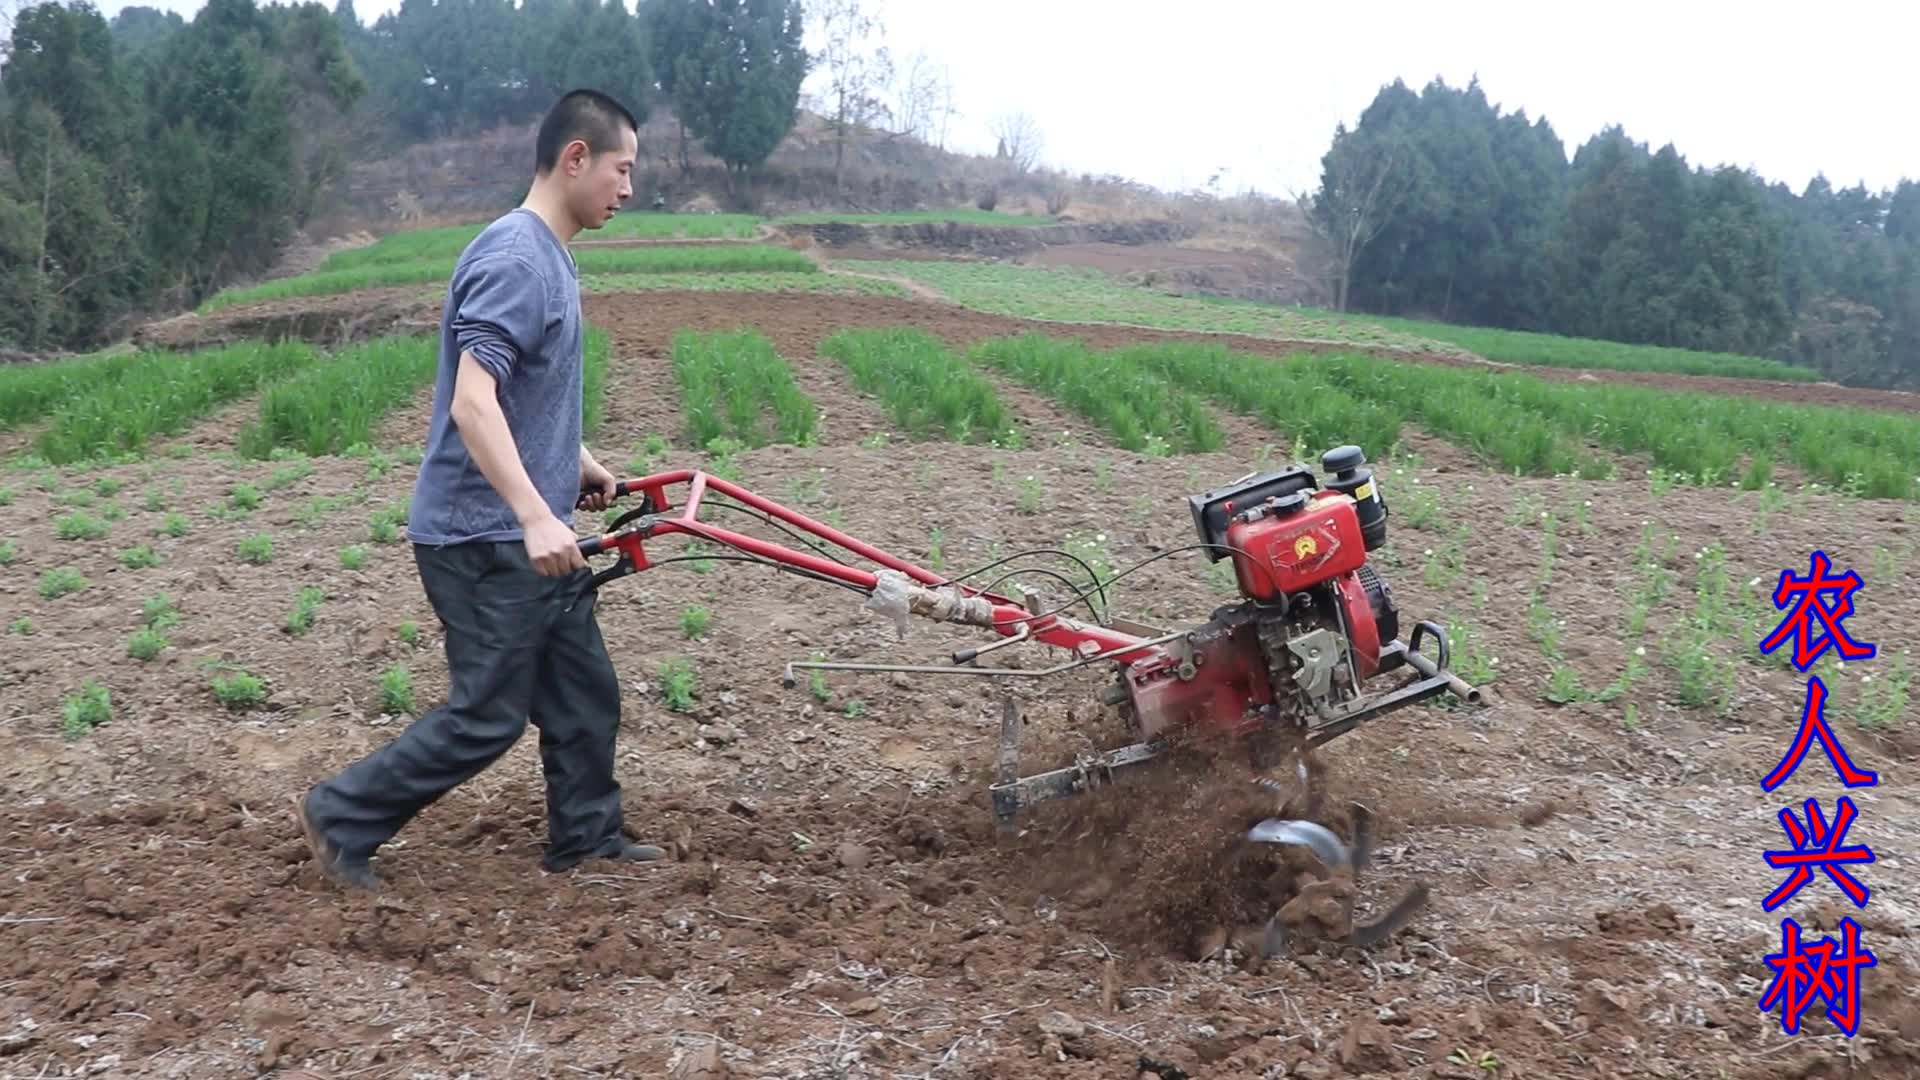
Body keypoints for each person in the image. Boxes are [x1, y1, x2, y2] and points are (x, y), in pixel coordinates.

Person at [295, 88, 664, 891]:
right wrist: (536, 513)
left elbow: (524, 395)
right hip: (479, 535)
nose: (628, 188)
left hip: (518, 528)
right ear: (576, 159)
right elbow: (473, 400)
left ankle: (587, 839)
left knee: (582, 692)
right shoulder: (515, 259)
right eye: (621, 168)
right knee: (488, 714)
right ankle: (342, 814)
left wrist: (575, 460)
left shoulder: (549, 255)